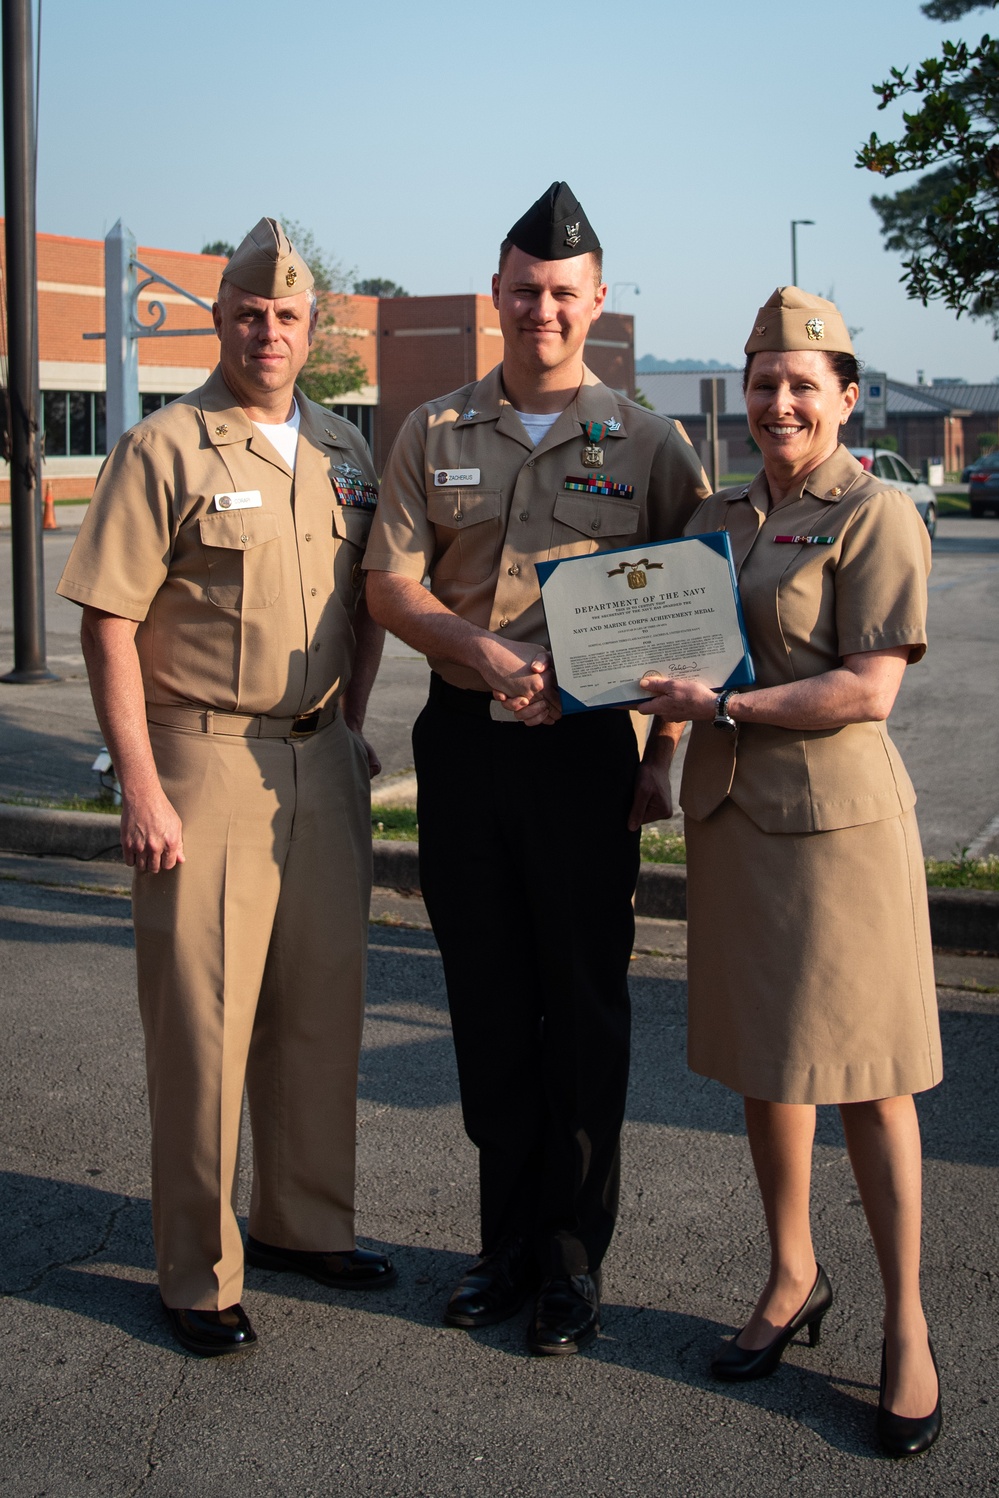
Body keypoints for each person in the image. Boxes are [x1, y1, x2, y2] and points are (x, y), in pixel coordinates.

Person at [363, 182, 709, 1356]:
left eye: (563, 293)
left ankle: (572, 1261)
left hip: (579, 759)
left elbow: (694, 614)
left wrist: (663, 754)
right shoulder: (433, 430)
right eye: (523, 290)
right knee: (488, 998)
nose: (541, 309)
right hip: (463, 746)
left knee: (586, 1006)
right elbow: (390, 582)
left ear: (597, 301)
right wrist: (473, 647)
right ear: (495, 295)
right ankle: (501, 1242)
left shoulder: (650, 442)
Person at [57, 218, 395, 1357]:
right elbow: (109, 623)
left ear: (312, 329)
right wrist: (140, 789)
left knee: (320, 1004)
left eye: (288, 315)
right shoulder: (167, 447)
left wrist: (349, 728)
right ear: (221, 320)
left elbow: (372, 605)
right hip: (200, 760)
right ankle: (197, 1271)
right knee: (204, 1024)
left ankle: (305, 1222)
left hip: (320, 763)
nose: (268, 331)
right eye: (249, 313)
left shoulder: (348, 450)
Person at [635, 287, 942, 1456]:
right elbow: (678, 649)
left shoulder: (874, 513)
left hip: (838, 832)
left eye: (802, 385)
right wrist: (659, 757)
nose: (778, 402)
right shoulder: (719, 513)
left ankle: (907, 1325)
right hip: (729, 816)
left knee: (870, 1075)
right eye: (762, 383)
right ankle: (788, 1275)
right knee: (772, 1065)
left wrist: (723, 707)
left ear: (846, 396)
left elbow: (868, 689)